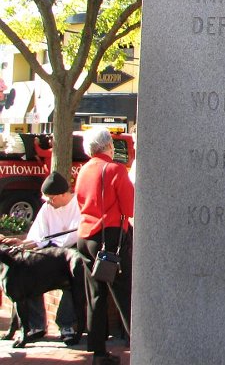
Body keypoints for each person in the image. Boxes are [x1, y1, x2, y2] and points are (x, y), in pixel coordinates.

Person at [0, 171, 83, 345]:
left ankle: (66, 324)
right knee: (27, 274)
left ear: (63, 194)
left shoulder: (78, 205)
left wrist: (49, 243)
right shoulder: (47, 208)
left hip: (68, 255)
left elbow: (74, 236)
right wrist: (22, 243)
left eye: (52, 198)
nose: (49, 203)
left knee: (71, 285)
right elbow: (38, 236)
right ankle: (36, 326)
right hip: (49, 254)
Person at [74, 128, 134, 365]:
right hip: (110, 239)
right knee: (124, 292)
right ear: (108, 145)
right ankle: (137, 342)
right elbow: (129, 208)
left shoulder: (84, 170)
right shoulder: (115, 169)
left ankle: (98, 351)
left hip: (85, 237)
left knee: (96, 296)